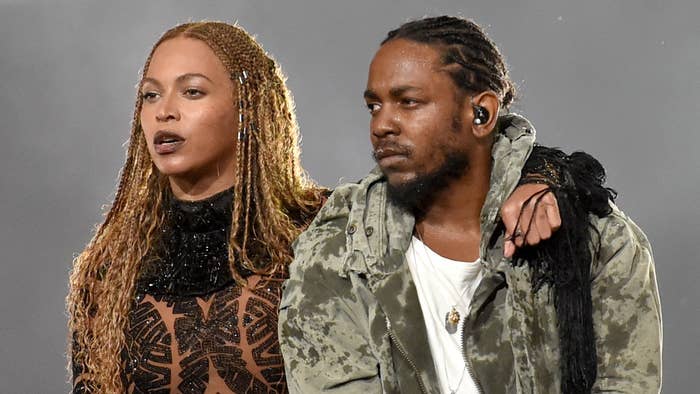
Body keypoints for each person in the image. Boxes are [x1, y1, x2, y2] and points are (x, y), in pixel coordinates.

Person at [67, 21, 566, 393]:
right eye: (150, 95)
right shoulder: (110, 267)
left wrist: (544, 177)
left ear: (249, 109)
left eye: (192, 92)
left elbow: (460, 169)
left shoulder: (331, 227)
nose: (164, 111)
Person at [279, 16, 662, 394]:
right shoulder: (338, 252)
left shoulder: (596, 242)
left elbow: (626, 383)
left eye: (408, 102)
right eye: (374, 106)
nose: (382, 125)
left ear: (481, 114)